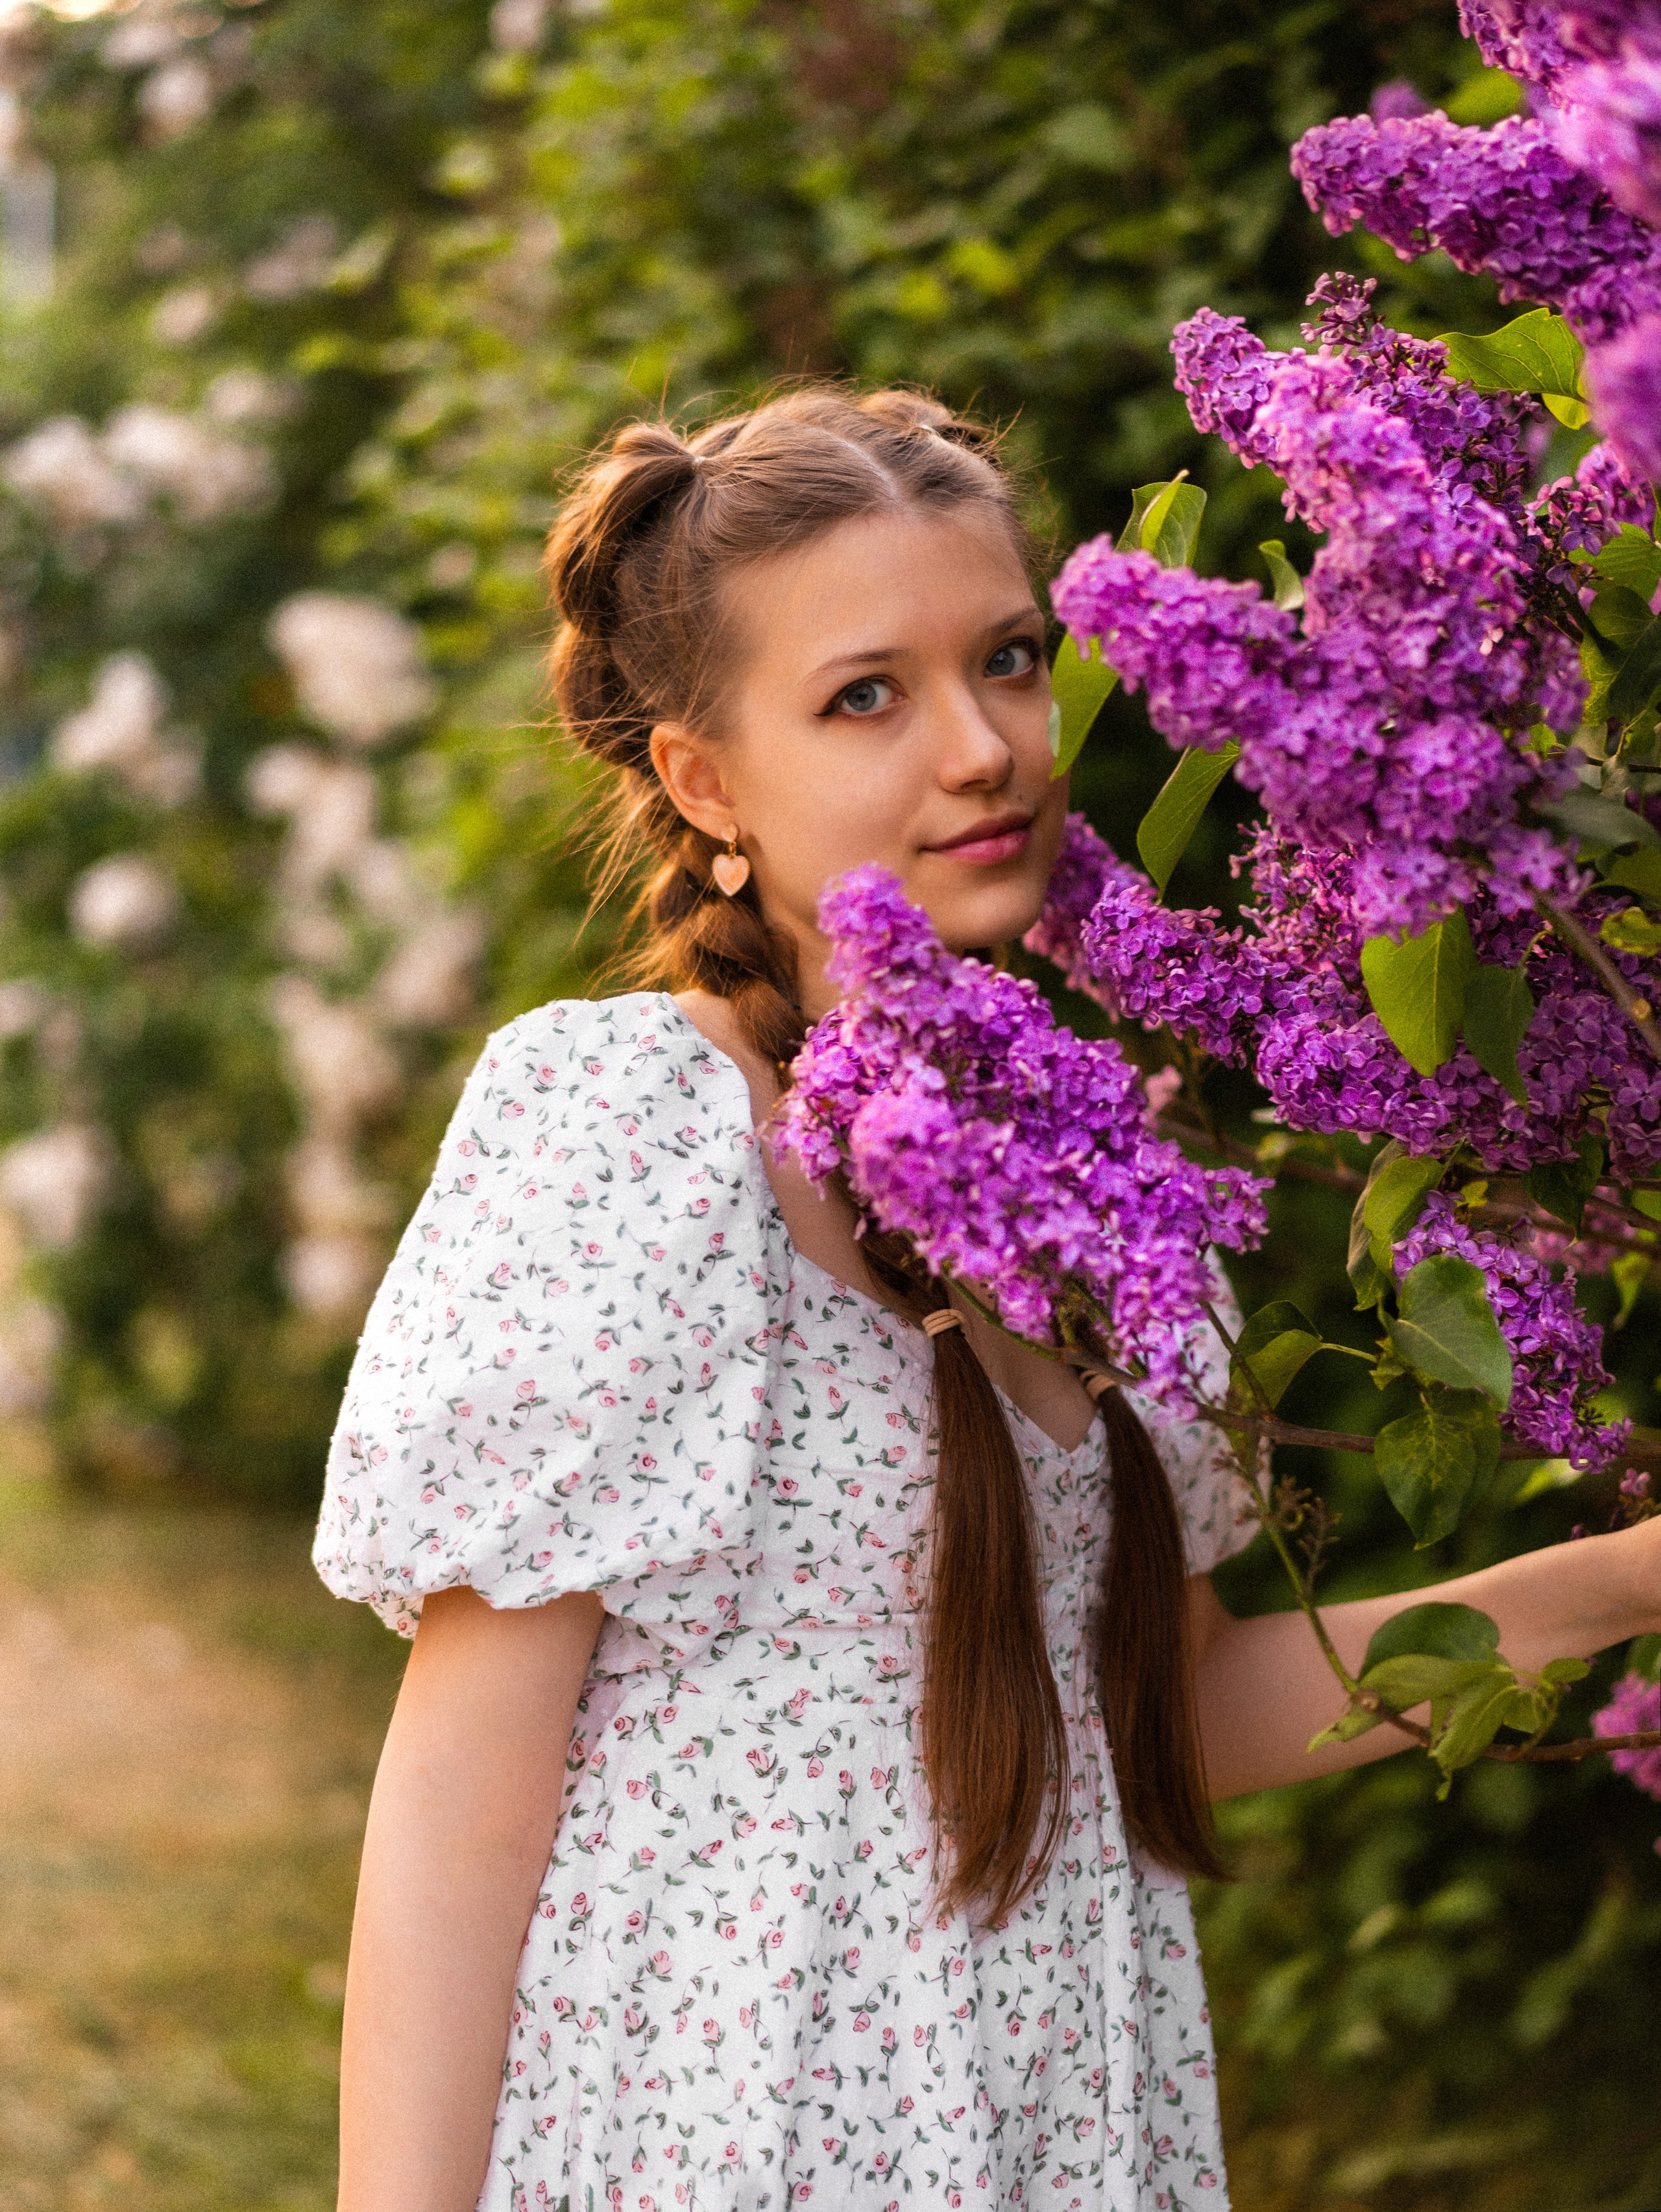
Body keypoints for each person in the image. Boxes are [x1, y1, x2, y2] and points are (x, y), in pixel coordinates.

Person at [317, 387, 1661, 2212]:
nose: (983, 748)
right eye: (867, 695)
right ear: (705, 779)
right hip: (732, 2125)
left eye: (1009, 660)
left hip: (1057, 2118)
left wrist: (1624, 1580)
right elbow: (461, 1801)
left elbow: (1173, 1710)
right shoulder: (639, 1129)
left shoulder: (1108, 1186)